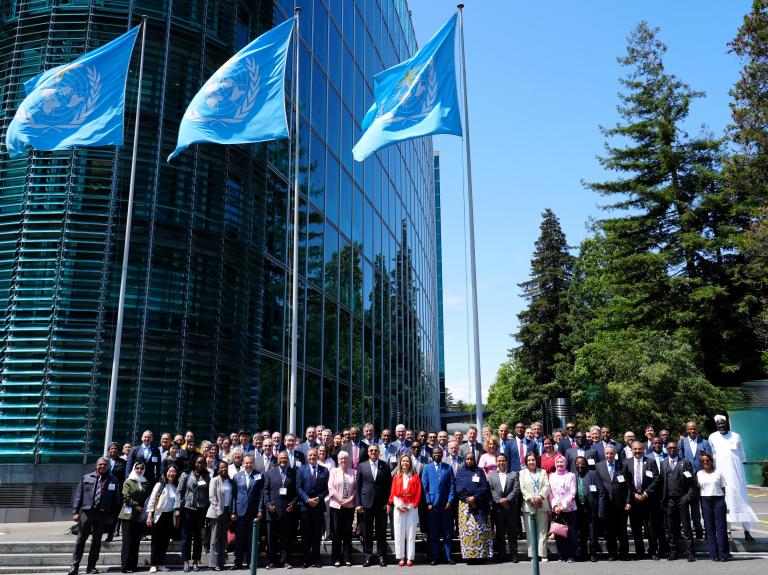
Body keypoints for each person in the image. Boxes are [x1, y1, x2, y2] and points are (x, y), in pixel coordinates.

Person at [708, 414, 759, 541]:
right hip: (722, 478)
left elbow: (742, 458)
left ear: (727, 423)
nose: (721, 426)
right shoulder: (712, 437)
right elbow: (711, 458)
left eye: (723, 423)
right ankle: (727, 531)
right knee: (724, 504)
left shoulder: (736, 436)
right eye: (718, 424)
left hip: (738, 478)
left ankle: (747, 532)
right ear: (716, 425)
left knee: (743, 503)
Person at [68, 457, 121, 575]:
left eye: (105, 465)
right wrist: (75, 512)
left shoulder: (113, 480)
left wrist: (112, 515)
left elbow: (116, 500)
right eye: (100, 464)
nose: (102, 466)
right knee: (80, 540)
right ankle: (74, 566)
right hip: (87, 512)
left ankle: (91, 566)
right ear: (96, 466)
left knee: (96, 541)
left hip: (102, 514)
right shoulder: (86, 477)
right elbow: (78, 495)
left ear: (108, 466)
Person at [355, 443, 392, 567]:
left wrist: (388, 503)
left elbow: (388, 487)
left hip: (381, 504)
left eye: (376, 450)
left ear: (378, 452)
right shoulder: (362, 466)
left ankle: (381, 556)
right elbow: (358, 486)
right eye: (371, 450)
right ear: (368, 452)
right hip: (366, 504)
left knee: (381, 532)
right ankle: (368, 556)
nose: (373, 452)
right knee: (367, 532)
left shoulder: (385, 466)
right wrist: (358, 503)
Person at [660, 441, 696, 561]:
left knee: (686, 527)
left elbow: (693, 483)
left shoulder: (685, 463)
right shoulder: (663, 463)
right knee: (671, 528)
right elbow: (661, 483)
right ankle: (673, 551)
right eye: (669, 448)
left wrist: (687, 497)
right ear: (666, 449)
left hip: (682, 499)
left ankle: (690, 553)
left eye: (674, 448)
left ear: (678, 449)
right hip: (669, 500)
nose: (672, 449)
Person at [625, 440, 661, 559]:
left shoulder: (650, 462)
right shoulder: (627, 463)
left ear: (643, 450)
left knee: (650, 527)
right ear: (632, 450)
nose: (637, 451)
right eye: (635, 449)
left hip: (648, 500)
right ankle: (639, 552)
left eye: (639, 449)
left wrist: (645, 494)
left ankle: (652, 551)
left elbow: (656, 480)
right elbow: (626, 482)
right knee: (635, 528)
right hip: (634, 501)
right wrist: (634, 494)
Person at [455, 452, 493, 562]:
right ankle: (469, 556)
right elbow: (459, 488)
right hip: (465, 505)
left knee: (480, 530)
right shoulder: (461, 472)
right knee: (468, 532)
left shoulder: (479, 471)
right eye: (467, 459)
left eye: (471, 459)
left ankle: (482, 555)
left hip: (480, 504)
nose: (469, 461)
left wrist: (475, 498)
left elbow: (484, 487)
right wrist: (469, 500)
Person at [263, 451, 299, 569]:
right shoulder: (269, 473)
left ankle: (285, 561)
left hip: (287, 511)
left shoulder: (293, 473)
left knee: (286, 538)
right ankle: (272, 561)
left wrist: (293, 504)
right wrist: (268, 504)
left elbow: (296, 492)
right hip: (272, 511)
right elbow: (265, 491)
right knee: (271, 538)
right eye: (281, 458)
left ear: (288, 460)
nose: (283, 460)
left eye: (285, 458)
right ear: (277, 460)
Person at [421, 446, 455, 565]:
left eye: (439, 453)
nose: (437, 454)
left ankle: (447, 556)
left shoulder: (448, 467)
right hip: (433, 506)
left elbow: (452, 485)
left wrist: (450, 501)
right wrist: (428, 502)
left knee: (447, 533)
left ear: (442, 454)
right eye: (435, 453)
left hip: (446, 505)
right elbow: (424, 486)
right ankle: (435, 557)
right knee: (433, 533)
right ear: (432, 455)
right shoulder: (427, 467)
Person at [595, 444, 629, 560]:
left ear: (615, 454)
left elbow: (628, 486)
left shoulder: (622, 466)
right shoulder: (598, 466)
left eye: (611, 453)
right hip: (606, 504)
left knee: (622, 530)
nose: (609, 455)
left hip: (620, 503)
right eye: (607, 453)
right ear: (604, 454)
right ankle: (612, 553)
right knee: (610, 530)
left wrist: (628, 501)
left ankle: (624, 552)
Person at [297, 448, 330, 568]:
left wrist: (318, 498)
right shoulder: (301, 469)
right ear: (307, 457)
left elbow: (327, 489)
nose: (312, 457)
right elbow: (298, 488)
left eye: (314, 455)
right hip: (305, 507)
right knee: (305, 534)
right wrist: (307, 499)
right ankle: (306, 559)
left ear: (318, 456)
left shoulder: (324, 470)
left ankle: (316, 559)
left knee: (316, 534)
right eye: (310, 455)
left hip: (318, 506)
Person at [231, 454, 265, 570]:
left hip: (253, 512)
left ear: (253, 464)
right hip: (240, 512)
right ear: (243, 463)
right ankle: (238, 562)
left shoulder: (259, 476)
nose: (248, 465)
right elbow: (234, 496)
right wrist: (233, 511)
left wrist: (260, 509)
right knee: (239, 539)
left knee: (252, 539)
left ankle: (251, 562)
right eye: (246, 463)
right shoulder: (236, 476)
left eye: (250, 463)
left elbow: (261, 494)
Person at [145, 464, 180, 573]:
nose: (172, 474)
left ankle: (160, 564)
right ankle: (153, 564)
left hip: (170, 516)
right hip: (158, 516)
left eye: (174, 472)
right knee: (156, 541)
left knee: (165, 542)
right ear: (166, 473)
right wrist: (150, 516)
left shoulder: (175, 486)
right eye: (170, 471)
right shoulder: (159, 485)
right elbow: (152, 500)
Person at [678, 420, 710, 539]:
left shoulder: (705, 442)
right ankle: (694, 531)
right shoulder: (681, 443)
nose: (692, 431)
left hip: (702, 478)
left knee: (704, 506)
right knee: (691, 506)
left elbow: (709, 459)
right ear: (687, 430)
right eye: (690, 429)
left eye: (694, 429)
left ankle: (705, 531)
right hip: (687, 480)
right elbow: (680, 460)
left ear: (697, 429)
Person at [389, 453, 422, 566]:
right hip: (399, 507)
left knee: (411, 533)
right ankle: (401, 557)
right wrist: (398, 505)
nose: (405, 463)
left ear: (410, 463)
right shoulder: (396, 477)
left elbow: (418, 493)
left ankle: (410, 557)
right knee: (399, 532)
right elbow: (393, 493)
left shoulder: (415, 477)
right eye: (403, 461)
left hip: (411, 508)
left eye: (407, 461)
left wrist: (409, 506)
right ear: (400, 463)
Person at [178, 455, 209, 573]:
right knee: (186, 536)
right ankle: (185, 561)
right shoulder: (186, 474)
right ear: (193, 463)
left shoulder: (206, 476)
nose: (199, 465)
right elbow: (179, 491)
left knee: (198, 537)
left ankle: (196, 561)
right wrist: (177, 508)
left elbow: (208, 491)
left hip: (201, 509)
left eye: (202, 463)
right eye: (197, 462)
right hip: (188, 508)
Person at [488, 453, 520, 563]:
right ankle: (502, 554)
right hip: (498, 509)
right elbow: (491, 490)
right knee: (500, 533)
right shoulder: (491, 475)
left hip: (510, 508)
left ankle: (514, 554)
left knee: (512, 533)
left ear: (507, 462)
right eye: (499, 461)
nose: (501, 463)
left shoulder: (514, 474)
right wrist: (499, 500)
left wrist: (507, 500)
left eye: (503, 461)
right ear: (496, 462)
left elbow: (516, 489)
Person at [697, 452, 730, 561]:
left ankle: (723, 553)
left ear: (711, 461)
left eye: (708, 460)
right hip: (705, 500)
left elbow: (723, 488)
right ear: (701, 462)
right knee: (709, 528)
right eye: (703, 461)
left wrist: (723, 502)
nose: (706, 462)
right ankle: (714, 554)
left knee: (721, 528)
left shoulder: (718, 473)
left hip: (718, 499)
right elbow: (698, 489)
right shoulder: (699, 474)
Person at [118, 462, 150, 573]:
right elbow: (125, 497)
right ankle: (125, 566)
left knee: (136, 542)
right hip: (128, 515)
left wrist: (144, 509)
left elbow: (148, 498)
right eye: (137, 468)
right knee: (127, 542)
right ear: (134, 468)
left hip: (140, 516)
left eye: (141, 468)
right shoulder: (128, 481)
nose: (139, 470)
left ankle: (133, 565)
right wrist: (137, 506)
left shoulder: (146, 482)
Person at [519, 451, 550, 562]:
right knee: (530, 531)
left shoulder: (543, 472)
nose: (531, 462)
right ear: (526, 462)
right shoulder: (522, 473)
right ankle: (533, 555)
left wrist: (540, 497)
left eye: (533, 460)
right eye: (529, 460)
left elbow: (547, 486)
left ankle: (543, 554)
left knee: (542, 530)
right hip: (529, 505)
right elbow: (522, 488)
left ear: (536, 460)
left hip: (542, 504)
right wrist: (531, 498)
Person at [328, 451, 357, 567]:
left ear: (348, 460)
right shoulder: (334, 471)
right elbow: (330, 487)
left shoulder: (354, 472)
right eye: (341, 459)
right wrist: (340, 499)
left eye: (345, 458)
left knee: (347, 533)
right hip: (336, 505)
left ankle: (347, 558)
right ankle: (336, 558)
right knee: (336, 533)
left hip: (349, 506)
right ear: (338, 460)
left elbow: (356, 488)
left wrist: (351, 498)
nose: (343, 460)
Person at [548, 453, 578, 562]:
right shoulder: (551, 476)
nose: (560, 464)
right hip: (557, 509)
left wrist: (563, 506)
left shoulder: (571, 475)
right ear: (555, 464)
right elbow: (550, 493)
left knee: (571, 533)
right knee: (559, 532)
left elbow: (572, 492)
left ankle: (571, 555)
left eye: (562, 462)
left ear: (565, 463)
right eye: (558, 462)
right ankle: (562, 554)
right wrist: (555, 506)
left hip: (569, 509)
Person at [573, 456, 603, 562]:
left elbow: (601, 493)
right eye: (578, 463)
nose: (580, 465)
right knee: (582, 532)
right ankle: (584, 553)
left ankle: (593, 553)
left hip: (591, 509)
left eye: (582, 463)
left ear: (586, 464)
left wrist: (601, 509)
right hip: (579, 509)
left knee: (592, 532)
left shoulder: (593, 474)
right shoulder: (573, 476)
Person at [206, 461, 233, 571]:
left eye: (225, 468)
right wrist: (218, 510)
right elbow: (212, 497)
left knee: (223, 538)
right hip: (216, 511)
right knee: (215, 538)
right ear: (218, 469)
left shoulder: (230, 481)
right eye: (221, 468)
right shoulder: (214, 480)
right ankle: (214, 563)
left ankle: (221, 562)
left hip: (227, 511)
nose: (224, 470)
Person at [105, 442, 126, 542]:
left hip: (117, 491)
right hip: (105, 491)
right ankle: (98, 535)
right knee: (103, 513)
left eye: (115, 449)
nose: (113, 450)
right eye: (111, 449)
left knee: (114, 513)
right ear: (108, 451)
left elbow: (125, 476)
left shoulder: (122, 462)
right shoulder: (104, 461)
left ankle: (110, 535)